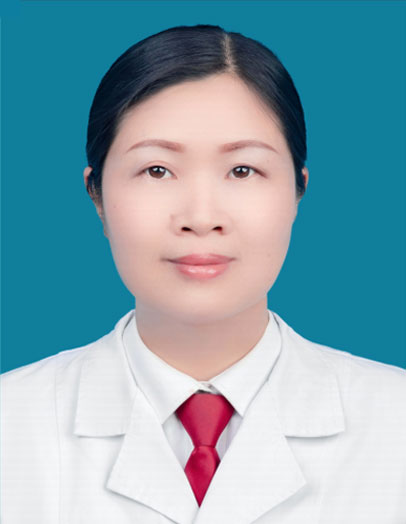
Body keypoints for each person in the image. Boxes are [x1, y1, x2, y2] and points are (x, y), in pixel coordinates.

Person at [1, 23, 405, 524]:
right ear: (97, 196)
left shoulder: (396, 424)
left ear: (298, 191)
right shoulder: (11, 425)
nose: (200, 216)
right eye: (157, 170)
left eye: (242, 170)